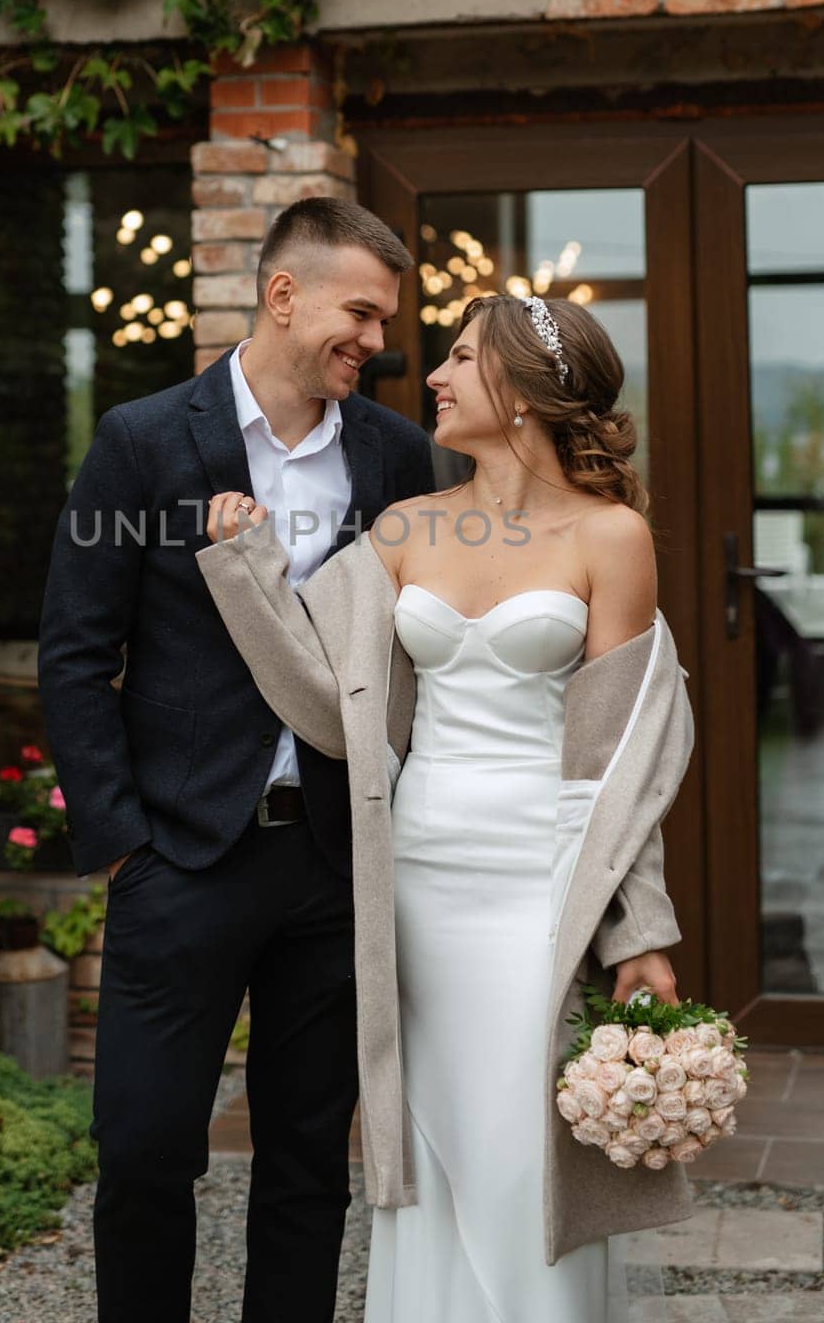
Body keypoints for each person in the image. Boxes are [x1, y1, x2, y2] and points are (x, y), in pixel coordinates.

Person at [198, 291, 696, 1323]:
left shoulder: (613, 537)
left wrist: (638, 931)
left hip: (542, 884)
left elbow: (621, 757)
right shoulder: (404, 528)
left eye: (461, 358)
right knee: (432, 1147)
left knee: (525, 1150)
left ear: (517, 390)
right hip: (416, 882)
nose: (433, 374)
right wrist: (247, 569)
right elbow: (323, 702)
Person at [37, 196, 436, 1323]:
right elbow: (75, 653)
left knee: (310, 1162)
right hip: (180, 856)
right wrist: (121, 843)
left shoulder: (397, 454)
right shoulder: (143, 439)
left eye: (382, 319)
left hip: (328, 862)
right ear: (283, 294)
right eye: (359, 311)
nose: (373, 337)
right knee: (148, 1150)